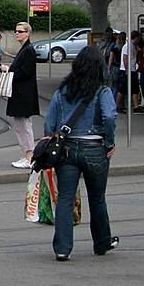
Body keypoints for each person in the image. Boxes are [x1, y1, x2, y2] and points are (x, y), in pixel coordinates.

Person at [41, 45, 119, 261]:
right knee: (97, 199)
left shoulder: (62, 91)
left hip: (67, 149)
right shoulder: (102, 91)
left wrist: (52, 143)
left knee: (65, 199)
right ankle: (102, 242)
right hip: (95, 148)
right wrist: (109, 142)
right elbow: (110, 117)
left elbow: (49, 124)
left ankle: (62, 248)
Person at [2, 21, 39, 168]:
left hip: (24, 94)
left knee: (24, 125)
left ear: (28, 33)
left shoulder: (28, 50)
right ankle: (27, 154)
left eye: (20, 31)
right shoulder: (25, 49)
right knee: (20, 125)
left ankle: (29, 156)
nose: (17, 33)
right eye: (16, 31)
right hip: (20, 93)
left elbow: (25, 72)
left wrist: (8, 69)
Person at [119, 31, 142, 114]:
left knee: (135, 88)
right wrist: (127, 70)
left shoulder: (133, 46)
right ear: (136, 38)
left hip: (132, 69)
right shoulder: (127, 46)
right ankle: (117, 106)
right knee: (123, 89)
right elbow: (125, 58)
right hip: (127, 70)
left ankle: (136, 107)